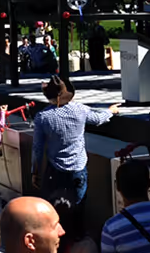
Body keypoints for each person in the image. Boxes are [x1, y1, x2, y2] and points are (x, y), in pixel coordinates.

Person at [31, 75, 119, 206]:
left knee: (54, 205)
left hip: (55, 168)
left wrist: (35, 171)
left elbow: (37, 148)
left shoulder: (42, 117)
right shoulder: (80, 109)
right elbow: (98, 119)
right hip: (78, 166)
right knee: (78, 206)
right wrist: (110, 111)